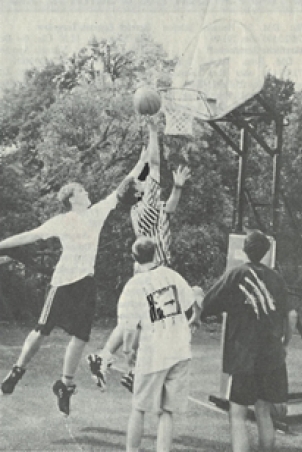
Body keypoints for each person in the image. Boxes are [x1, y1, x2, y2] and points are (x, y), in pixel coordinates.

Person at [0, 177, 141, 416]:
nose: (87, 192)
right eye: (82, 190)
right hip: (63, 282)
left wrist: (144, 158)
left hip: (85, 283)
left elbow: (124, 184)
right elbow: (30, 235)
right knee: (41, 330)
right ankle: (17, 370)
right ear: (72, 197)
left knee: (80, 337)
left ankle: (65, 385)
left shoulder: (97, 212)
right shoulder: (62, 221)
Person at [88, 117, 191, 390]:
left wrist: (177, 186)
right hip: (154, 271)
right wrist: (154, 130)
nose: (144, 182)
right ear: (138, 192)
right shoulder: (145, 205)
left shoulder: (142, 207)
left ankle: (106, 358)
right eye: (140, 183)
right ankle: (129, 368)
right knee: (153, 323)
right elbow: (154, 165)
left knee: (138, 321)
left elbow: (169, 209)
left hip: (147, 268)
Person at [201, 230, 297, 452]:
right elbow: (291, 315)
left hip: (246, 356)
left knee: (237, 413)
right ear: (266, 252)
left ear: (245, 249)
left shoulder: (235, 275)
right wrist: (285, 344)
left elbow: (208, 305)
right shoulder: (277, 278)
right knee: (264, 411)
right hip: (272, 355)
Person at [116, 236, 202, 452]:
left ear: (134, 258)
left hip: (154, 352)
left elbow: (129, 327)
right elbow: (195, 299)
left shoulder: (133, 285)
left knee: (139, 407)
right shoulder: (171, 275)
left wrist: (128, 350)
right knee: (166, 410)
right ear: (156, 254)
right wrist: (195, 317)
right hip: (180, 349)